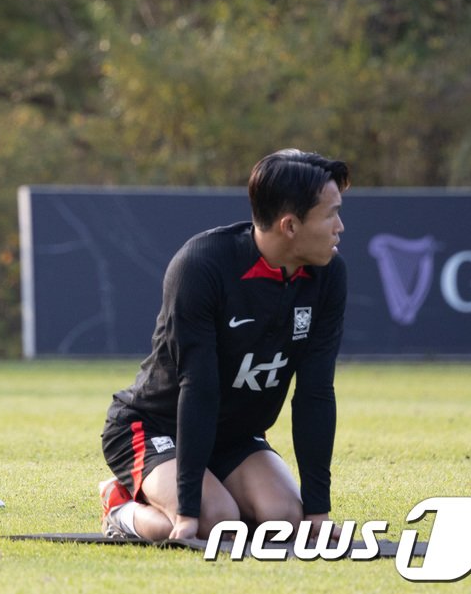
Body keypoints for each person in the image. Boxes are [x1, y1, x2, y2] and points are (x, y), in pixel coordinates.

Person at [97, 148, 350, 542]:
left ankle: (211, 494)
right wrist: (189, 515)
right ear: (289, 226)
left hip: (232, 436)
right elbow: (198, 389)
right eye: (331, 213)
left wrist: (317, 511)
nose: (340, 227)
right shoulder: (202, 266)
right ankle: (120, 507)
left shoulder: (329, 275)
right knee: (215, 523)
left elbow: (315, 393)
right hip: (153, 426)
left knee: (285, 522)